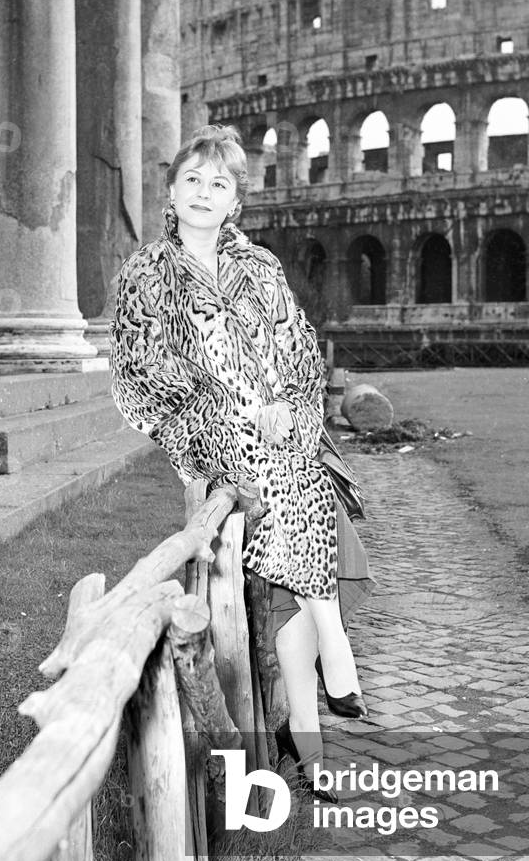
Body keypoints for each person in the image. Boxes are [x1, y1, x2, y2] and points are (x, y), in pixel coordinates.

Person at [108, 124, 371, 798]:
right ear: (171, 190)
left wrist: (286, 404)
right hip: (205, 430)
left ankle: (307, 739)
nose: (203, 192)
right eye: (192, 179)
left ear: (235, 202)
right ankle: (332, 664)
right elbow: (143, 376)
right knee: (277, 465)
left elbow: (300, 352)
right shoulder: (146, 272)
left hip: (282, 435)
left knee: (296, 488)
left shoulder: (260, 267)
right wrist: (228, 413)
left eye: (218, 184)